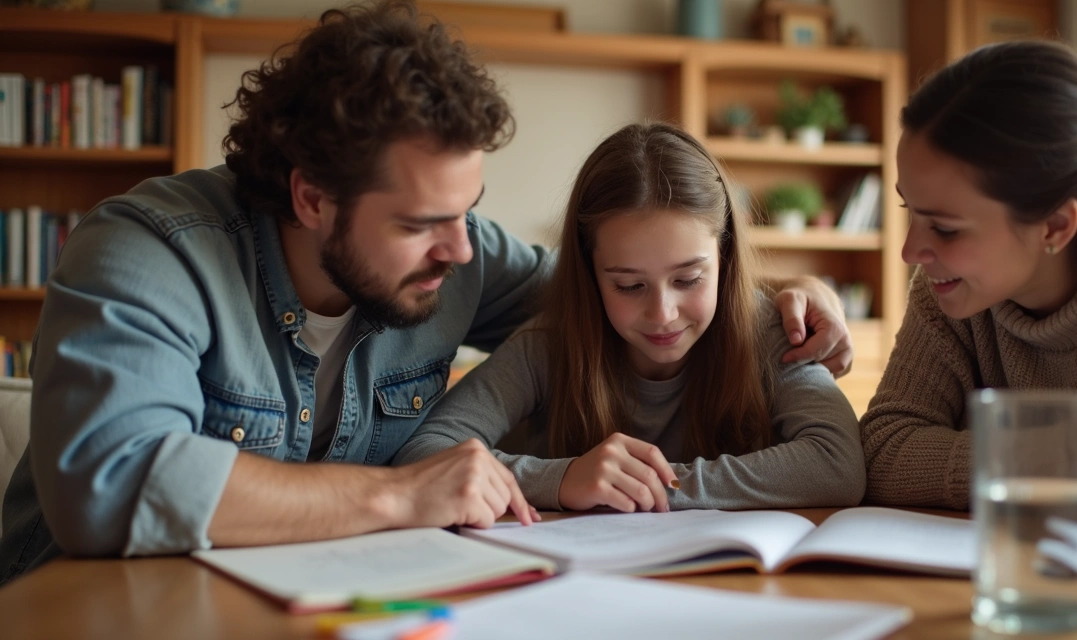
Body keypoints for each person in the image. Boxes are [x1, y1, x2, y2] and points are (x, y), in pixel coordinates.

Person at [0, 1, 853, 583]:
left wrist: (779, 294)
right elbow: (108, 484)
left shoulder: (458, 258)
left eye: (466, 211)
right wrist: (400, 493)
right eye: (420, 223)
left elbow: (619, 291)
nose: (462, 249)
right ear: (312, 197)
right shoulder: (148, 252)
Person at [396, 122, 866, 513]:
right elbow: (426, 451)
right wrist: (562, 478)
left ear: (725, 258)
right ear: (590, 272)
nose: (663, 314)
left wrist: (653, 487)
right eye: (629, 285)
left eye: (688, 279)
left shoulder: (772, 330)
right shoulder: (548, 344)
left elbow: (838, 464)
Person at [861, 39, 1077, 540]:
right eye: (908, 210)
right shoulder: (952, 292)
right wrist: (1071, 446)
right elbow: (885, 453)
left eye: (945, 228)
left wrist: (1009, 471)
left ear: (1055, 226)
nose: (909, 251)